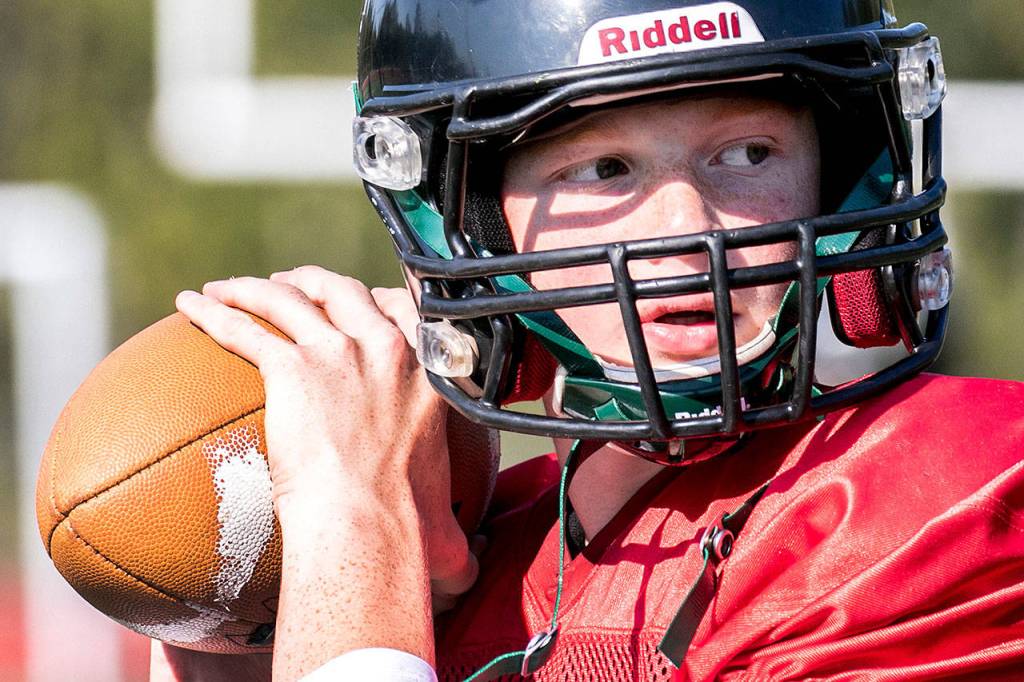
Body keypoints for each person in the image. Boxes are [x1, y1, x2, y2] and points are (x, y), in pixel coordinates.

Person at [156, 0, 1024, 680]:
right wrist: (256, 639)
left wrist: (356, 534)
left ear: (838, 179)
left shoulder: (949, 492)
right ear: (470, 222)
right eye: (605, 168)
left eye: (750, 153)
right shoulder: (473, 553)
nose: (690, 231)